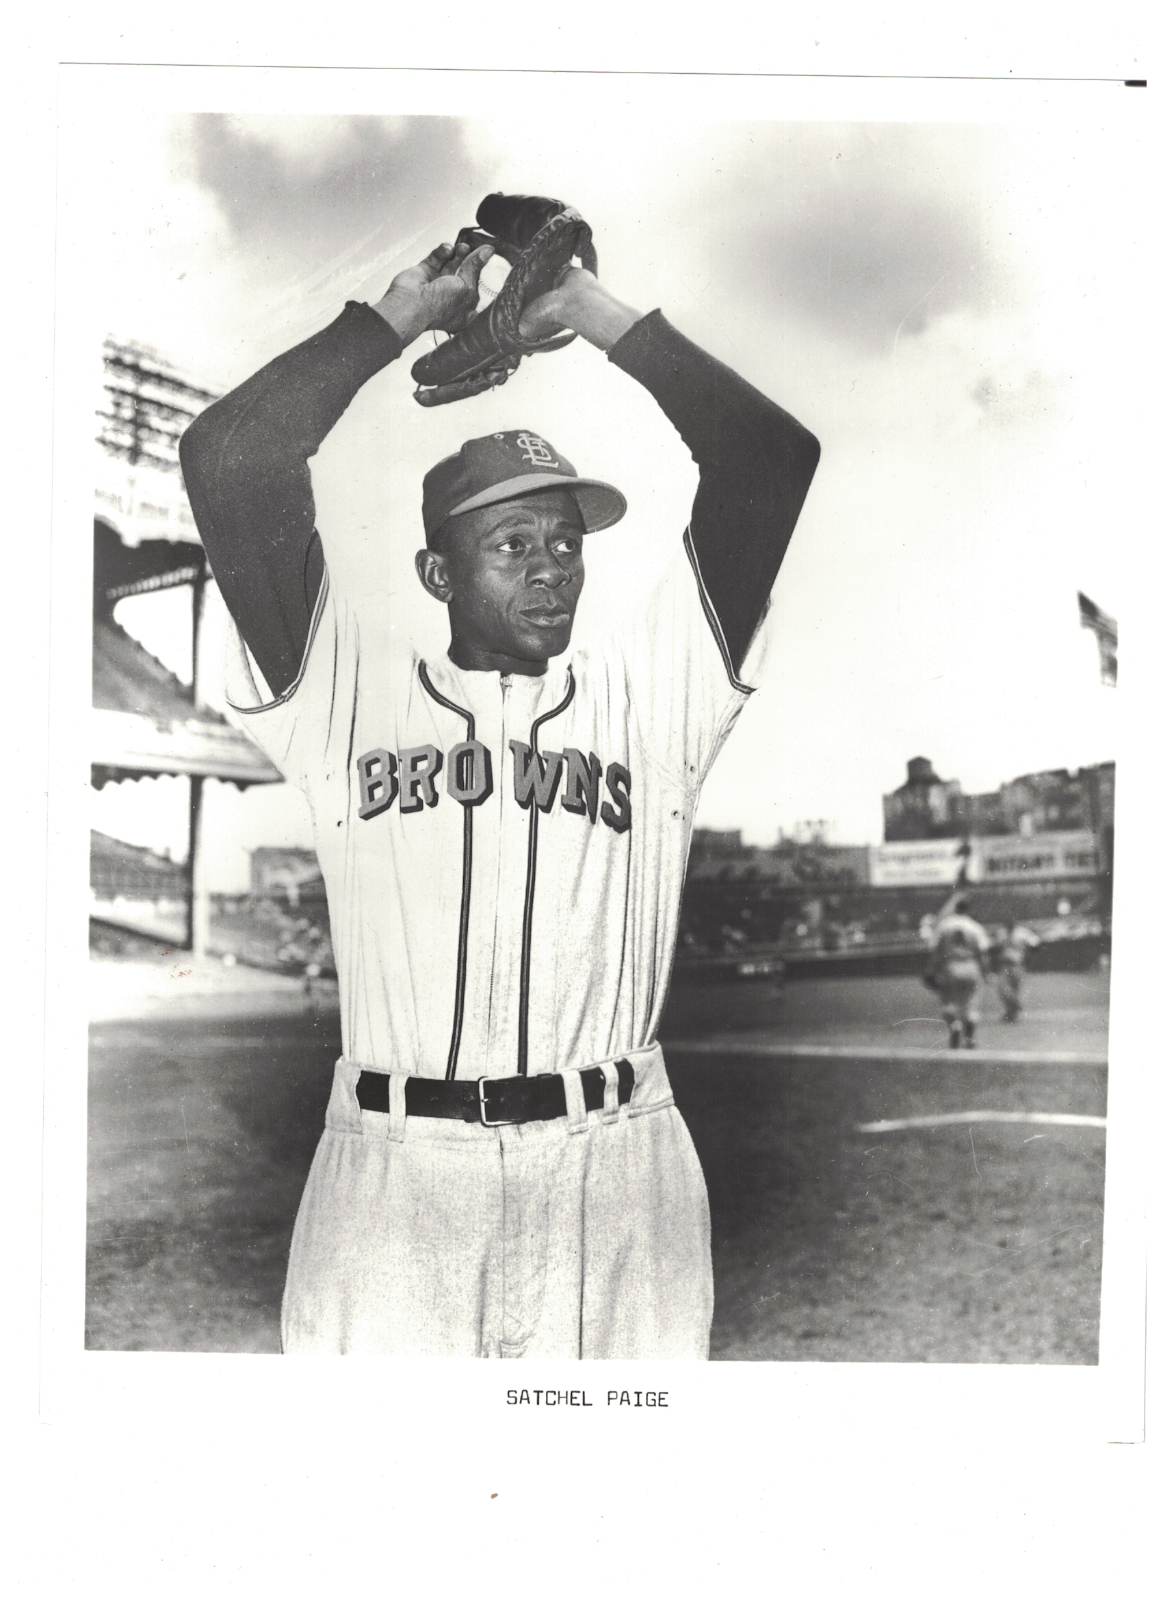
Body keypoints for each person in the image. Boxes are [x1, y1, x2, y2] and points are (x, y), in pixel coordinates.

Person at [179, 223, 820, 1358]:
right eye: (511, 541)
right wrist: (396, 321)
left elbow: (770, 458)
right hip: (393, 1179)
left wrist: (578, 308)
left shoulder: (650, 691)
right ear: (436, 570)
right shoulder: (344, 690)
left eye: (565, 542)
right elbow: (232, 459)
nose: (549, 567)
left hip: (614, 1163)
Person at [925, 891, 992, 1049]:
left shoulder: (944, 925)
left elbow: (934, 951)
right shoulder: (974, 926)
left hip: (950, 966)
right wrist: (987, 972)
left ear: (955, 908)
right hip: (970, 965)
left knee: (948, 1001)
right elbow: (983, 953)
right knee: (971, 1003)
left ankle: (955, 1026)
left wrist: (931, 970)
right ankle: (969, 1038)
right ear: (968, 909)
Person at [993, 921, 1041, 1022]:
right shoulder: (1001, 933)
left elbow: (1036, 944)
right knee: (1003, 989)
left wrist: (1027, 954)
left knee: (1015, 988)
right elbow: (994, 947)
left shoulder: (1022, 932)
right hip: (1004, 965)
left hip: (1017, 964)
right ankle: (1015, 1005)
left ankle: (1011, 1013)